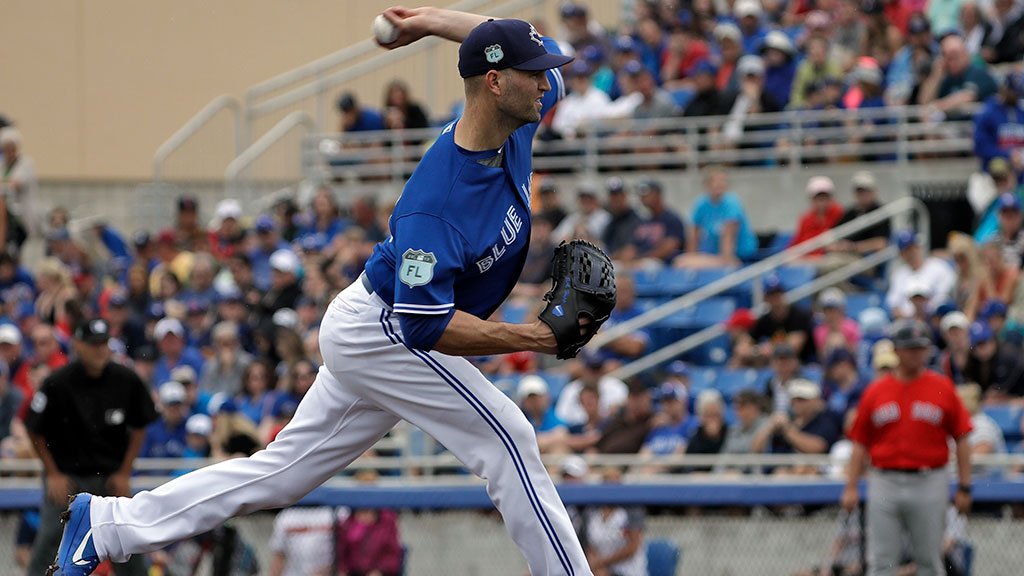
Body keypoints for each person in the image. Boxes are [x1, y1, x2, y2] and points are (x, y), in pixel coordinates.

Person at [48, 10, 599, 576]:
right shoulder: (435, 205)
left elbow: (500, 40)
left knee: (281, 474)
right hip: (384, 331)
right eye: (533, 73)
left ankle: (109, 525)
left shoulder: (519, 114)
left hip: (374, 323)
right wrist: (532, 337)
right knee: (509, 439)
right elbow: (424, 328)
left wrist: (432, 21)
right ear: (495, 82)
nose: (546, 81)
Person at [841, 320, 973, 576]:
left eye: (920, 347)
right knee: (881, 561)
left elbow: (963, 438)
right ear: (897, 350)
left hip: (929, 478)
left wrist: (965, 486)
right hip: (884, 479)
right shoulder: (876, 391)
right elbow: (859, 443)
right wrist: (851, 486)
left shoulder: (941, 387)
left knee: (929, 559)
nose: (915, 353)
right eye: (909, 347)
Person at [26, 319, 156, 576]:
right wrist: (53, 473)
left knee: (127, 540)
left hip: (109, 478)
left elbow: (141, 424)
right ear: (78, 345)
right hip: (69, 479)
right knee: (51, 541)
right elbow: (34, 428)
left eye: (104, 343)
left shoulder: (126, 379)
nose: (100, 350)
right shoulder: (58, 382)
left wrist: (124, 472)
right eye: (93, 344)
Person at [675, 166, 758, 268]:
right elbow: (693, 235)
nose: (719, 184)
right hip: (716, 254)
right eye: (714, 181)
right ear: (706, 184)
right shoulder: (701, 204)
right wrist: (692, 258)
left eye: (723, 181)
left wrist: (723, 261)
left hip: (741, 256)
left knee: (683, 263)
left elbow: (728, 241)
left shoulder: (732, 204)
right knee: (683, 262)